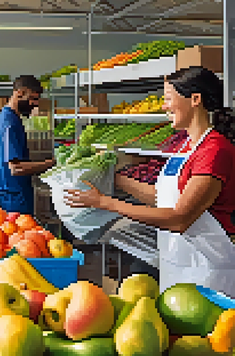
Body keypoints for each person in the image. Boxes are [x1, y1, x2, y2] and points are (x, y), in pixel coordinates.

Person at [65, 66, 235, 297]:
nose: (164, 106)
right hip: (177, 263)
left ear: (195, 99)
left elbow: (179, 218)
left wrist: (106, 202)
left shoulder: (214, 151)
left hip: (207, 270)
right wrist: (113, 178)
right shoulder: (186, 146)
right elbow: (162, 196)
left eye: (168, 99)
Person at [0, 75, 56, 215]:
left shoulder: (1, 118)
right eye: (33, 98)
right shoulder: (10, 123)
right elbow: (16, 168)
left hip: (5, 194)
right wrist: (51, 164)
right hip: (13, 199)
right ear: (20, 93)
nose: (35, 104)